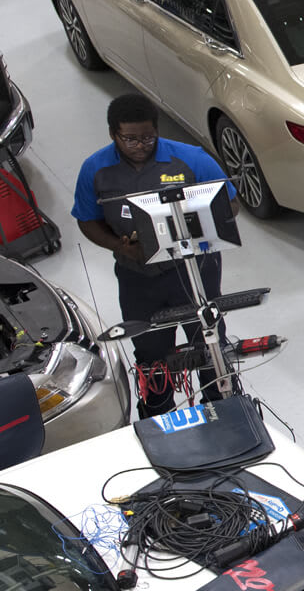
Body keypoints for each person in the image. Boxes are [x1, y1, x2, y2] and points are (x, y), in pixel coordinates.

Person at [72, 94, 239, 418]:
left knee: (208, 344)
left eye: (148, 137)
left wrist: (196, 226)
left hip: (194, 270)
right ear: (113, 134)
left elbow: (230, 203)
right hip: (138, 276)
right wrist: (119, 246)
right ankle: (157, 416)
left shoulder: (191, 159)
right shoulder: (96, 169)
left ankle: (223, 408)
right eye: (130, 138)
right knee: (150, 352)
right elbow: (86, 219)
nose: (140, 145)